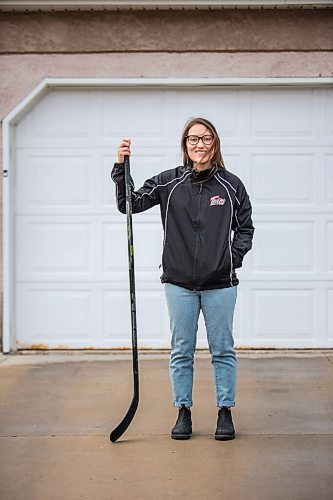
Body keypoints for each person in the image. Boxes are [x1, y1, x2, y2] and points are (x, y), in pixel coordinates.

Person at [112, 117, 254, 441]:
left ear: (214, 143)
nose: (199, 145)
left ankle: (225, 412)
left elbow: (245, 228)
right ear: (185, 145)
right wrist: (121, 168)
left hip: (220, 284)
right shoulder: (169, 182)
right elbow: (128, 204)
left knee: (222, 350)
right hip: (178, 284)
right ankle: (183, 412)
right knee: (181, 350)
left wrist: (232, 258)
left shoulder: (231, 185)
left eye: (205, 139)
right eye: (193, 139)